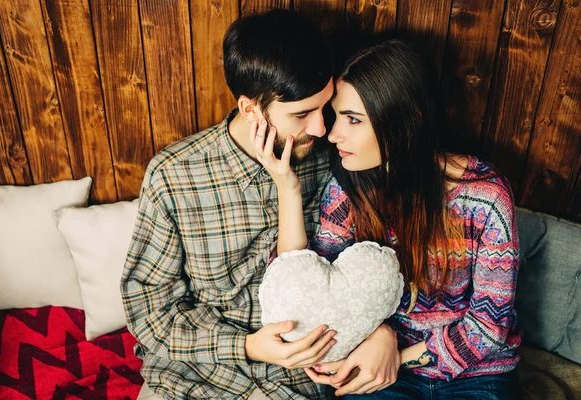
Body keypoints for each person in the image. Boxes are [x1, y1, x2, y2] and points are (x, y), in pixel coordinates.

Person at [253, 39, 521, 399]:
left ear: (407, 120)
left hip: (476, 374)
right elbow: (299, 278)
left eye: (353, 120)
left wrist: (397, 356)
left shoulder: (484, 198)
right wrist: (287, 187)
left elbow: (489, 326)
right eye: (338, 117)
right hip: (380, 369)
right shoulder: (347, 187)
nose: (333, 135)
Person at [121, 10, 339, 400]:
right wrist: (247, 346)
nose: (321, 128)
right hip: (191, 374)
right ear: (250, 109)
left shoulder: (328, 157)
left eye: (324, 107)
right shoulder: (175, 176)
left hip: (291, 381)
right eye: (302, 114)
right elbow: (148, 310)